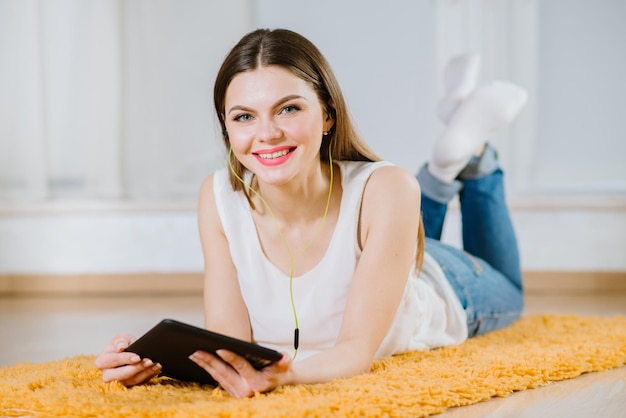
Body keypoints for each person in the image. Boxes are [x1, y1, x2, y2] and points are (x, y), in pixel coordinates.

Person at [95, 28, 527, 397]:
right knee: (390, 211)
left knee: (509, 289)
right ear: (227, 129)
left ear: (327, 115)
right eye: (244, 116)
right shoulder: (218, 197)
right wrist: (150, 360)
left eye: (288, 108)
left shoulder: (388, 188)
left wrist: (285, 376)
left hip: (442, 281)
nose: (267, 134)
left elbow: (356, 352)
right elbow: (231, 344)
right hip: (382, 241)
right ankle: (450, 150)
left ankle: (474, 158)